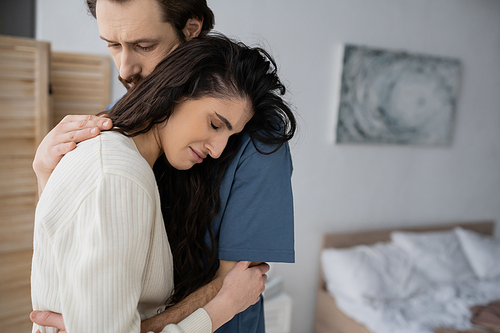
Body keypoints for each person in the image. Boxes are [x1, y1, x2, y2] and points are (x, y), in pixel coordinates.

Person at [31, 0, 296, 332]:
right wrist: (45, 175)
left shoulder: (252, 135)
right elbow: (77, 242)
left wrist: (109, 324)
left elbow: (237, 281)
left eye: (144, 45)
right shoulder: (112, 136)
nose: (125, 69)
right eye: (113, 45)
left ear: (190, 32)